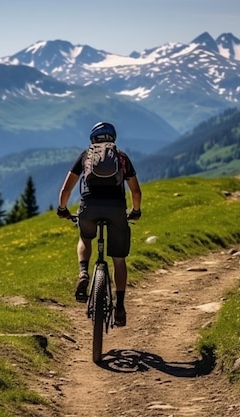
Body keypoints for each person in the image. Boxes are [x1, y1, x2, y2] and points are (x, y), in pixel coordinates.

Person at [56, 121, 142, 327]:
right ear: (113, 139)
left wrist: (62, 209)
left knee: (85, 237)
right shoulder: (121, 158)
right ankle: (119, 305)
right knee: (119, 260)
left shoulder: (86, 156)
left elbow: (66, 189)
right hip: (116, 209)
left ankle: (84, 272)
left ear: (93, 139)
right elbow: (136, 191)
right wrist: (135, 211)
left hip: (90, 207)